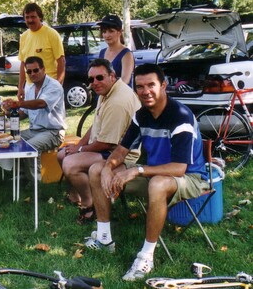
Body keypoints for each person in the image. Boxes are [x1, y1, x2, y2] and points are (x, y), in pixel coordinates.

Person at [84, 64, 209, 281]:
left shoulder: (180, 116)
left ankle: (146, 257)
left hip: (190, 178)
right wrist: (108, 168)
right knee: (96, 169)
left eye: (151, 85)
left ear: (163, 85)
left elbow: (179, 168)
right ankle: (104, 238)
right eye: (139, 87)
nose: (145, 91)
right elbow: (121, 151)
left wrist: (137, 171)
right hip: (153, 175)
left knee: (158, 183)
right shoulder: (141, 116)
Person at [57, 59, 140, 223]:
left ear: (112, 76)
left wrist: (79, 151)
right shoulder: (106, 91)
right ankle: (77, 197)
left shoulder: (118, 102)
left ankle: (90, 204)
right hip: (106, 147)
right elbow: (95, 126)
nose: (95, 82)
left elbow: (106, 144)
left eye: (99, 77)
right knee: (62, 154)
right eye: (91, 79)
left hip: (121, 155)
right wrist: (78, 145)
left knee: (70, 163)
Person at [4, 56, 66, 181]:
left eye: (36, 70)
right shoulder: (30, 88)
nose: (32, 74)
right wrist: (8, 112)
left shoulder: (54, 86)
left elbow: (41, 103)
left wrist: (18, 103)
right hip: (34, 131)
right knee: (12, 140)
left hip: (53, 132)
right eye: (29, 71)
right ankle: (22, 174)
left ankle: (35, 183)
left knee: (31, 146)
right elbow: (24, 113)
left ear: (43, 69)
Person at [17, 3, 65, 100]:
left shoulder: (51, 34)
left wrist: (57, 85)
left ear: (40, 17)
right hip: (30, 87)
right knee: (31, 114)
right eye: (27, 17)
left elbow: (61, 61)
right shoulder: (24, 37)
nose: (30, 20)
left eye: (33, 17)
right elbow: (23, 64)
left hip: (49, 86)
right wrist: (20, 87)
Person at [98, 15, 135, 86]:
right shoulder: (102, 52)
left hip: (120, 96)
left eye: (111, 31)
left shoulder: (126, 54)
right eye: (104, 31)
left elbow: (125, 81)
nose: (107, 35)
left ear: (120, 32)